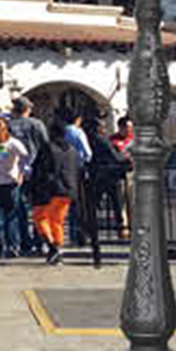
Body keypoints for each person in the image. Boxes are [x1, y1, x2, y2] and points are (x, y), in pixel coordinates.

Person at [29, 119, 81, 265]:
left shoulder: (47, 148)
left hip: (49, 189)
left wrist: (33, 186)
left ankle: (52, 246)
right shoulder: (71, 149)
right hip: (68, 190)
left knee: (40, 218)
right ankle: (58, 247)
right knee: (57, 221)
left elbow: (39, 169)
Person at [0, 117, 27, 259]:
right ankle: (13, 246)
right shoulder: (13, 143)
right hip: (10, 182)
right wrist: (21, 173)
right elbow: (26, 158)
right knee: (11, 217)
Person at [8, 96, 49, 255]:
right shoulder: (37, 124)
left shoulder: (9, 126)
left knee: (18, 209)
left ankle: (22, 242)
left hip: (14, 171)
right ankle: (40, 240)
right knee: (39, 208)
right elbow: (45, 146)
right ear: (28, 109)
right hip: (36, 169)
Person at [86, 120, 129, 264]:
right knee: (117, 201)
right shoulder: (102, 140)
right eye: (102, 126)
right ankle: (120, 226)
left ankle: (90, 230)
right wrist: (126, 160)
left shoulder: (90, 138)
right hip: (108, 175)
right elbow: (113, 156)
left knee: (94, 204)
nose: (105, 128)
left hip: (96, 175)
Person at [63, 110, 92, 246]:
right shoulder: (78, 132)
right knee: (79, 203)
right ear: (78, 119)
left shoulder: (61, 132)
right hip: (77, 169)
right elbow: (87, 153)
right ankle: (78, 234)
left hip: (63, 169)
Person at [110, 115, 135, 238]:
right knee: (121, 202)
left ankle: (134, 226)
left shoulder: (134, 139)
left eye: (131, 127)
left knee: (133, 200)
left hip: (132, 172)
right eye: (126, 127)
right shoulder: (113, 140)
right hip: (119, 174)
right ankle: (123, 227)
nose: (129, 130)